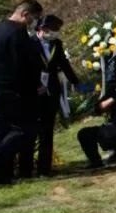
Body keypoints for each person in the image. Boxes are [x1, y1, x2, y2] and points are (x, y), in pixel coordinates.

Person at [0, 0, 43, 184]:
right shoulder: (17, 33)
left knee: (0, 132)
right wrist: (34, 86)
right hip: (11, 91)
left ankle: (1, 175)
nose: (34, 23)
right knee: (20, 132)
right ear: (25, 14)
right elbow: (23, 65)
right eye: (34, 18)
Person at [22, 15, 79, 177]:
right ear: (42, 28)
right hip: (34, 92)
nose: (55, 32)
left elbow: (64, 64)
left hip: (52, 90)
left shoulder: (57, 44)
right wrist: (34, 85)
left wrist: (75, 81)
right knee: (31, 130)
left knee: (47, 130)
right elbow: (24, 68)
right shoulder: (29, 43)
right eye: (54, 29)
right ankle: (26, 169)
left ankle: (44, 168)